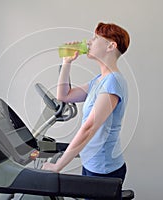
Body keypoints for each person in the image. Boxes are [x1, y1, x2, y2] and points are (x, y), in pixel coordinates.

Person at [42, 22, 130, 188]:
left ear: (111, 46)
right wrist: (67, 62)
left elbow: (89, 127)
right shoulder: (99, 80)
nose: (89, 42)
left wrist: (58, 166)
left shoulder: (113, 82)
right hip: (92, 164)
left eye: (95, 38)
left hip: (104, 170)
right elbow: (64, 96)